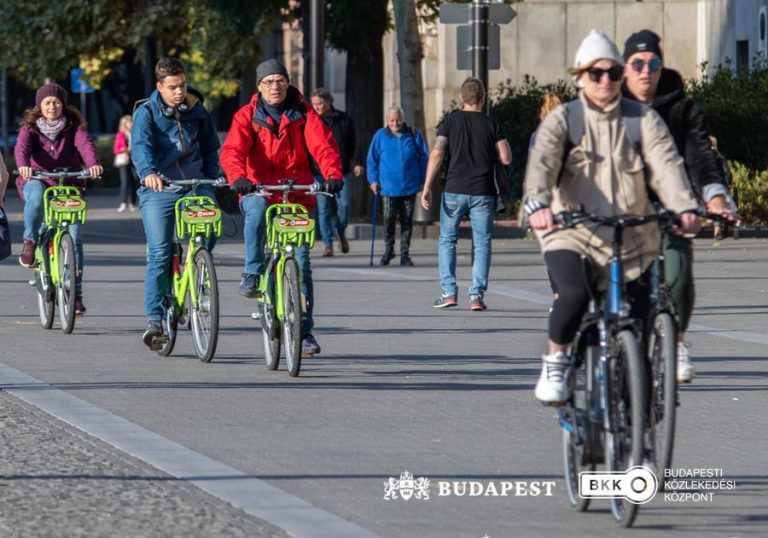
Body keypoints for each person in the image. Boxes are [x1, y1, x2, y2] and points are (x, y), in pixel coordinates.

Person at [523, 29, 701, 404]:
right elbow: (542, 164)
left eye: (612, 73)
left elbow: (666, 165)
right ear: (579, 77)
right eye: (595, 73)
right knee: (572, 293)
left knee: (641, 317)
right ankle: (556, 359)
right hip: (572, 232)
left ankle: (632, 415)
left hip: (631, 235)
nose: (605, 80)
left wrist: (684, 206)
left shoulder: (643, 119)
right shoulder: (564, 120)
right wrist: (537, 204)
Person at [622, 29, 737, 383]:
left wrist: (714, 196)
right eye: (637, 63)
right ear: (625, 68)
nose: (646, 71)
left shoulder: (682, 109)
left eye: (653, 63)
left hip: (670, 206)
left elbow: (700, 156)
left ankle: (678, 342)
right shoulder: (608, 107)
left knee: (678, 271)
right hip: (622, 208)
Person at [220, 59, 343, 356]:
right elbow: (233, 150)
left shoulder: (304, 112)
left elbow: (323, 145)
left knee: (302, 265)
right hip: (258, 187)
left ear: (288, 83)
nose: (275, 87)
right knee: (258, 210)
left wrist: (332, 175)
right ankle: (252, 272)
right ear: (259, 86)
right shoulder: (246, 115)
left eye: (280, 80)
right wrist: (238, 178)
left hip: (296, 192)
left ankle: (305, 333)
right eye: (268, 82)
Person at [131, 57, 221, 350]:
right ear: (160, 86)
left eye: (182, 85)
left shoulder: (198, 110)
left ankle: (196, 265)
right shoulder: (146, 113)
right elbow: (141, 148)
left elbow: (210, 147)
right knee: (158, 253)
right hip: (160, 189)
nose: (179, 92)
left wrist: (212, 177)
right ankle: (155, 321)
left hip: (195, 185)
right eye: (172, 87)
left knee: (211, 228)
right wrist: (148, 174)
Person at [421, 78, 512, 310]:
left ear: (462, 98)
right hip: (483, 192)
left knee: (448, 240)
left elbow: (437, 154)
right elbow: (506, 158)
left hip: (453, 190)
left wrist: (427, 187)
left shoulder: (449, 122)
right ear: (483, 99)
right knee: (482, 243)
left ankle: (449, 292)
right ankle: (476, 296)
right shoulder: (492, 124)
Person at [14, 83, 102, 314]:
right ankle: (30, 242)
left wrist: (93, 165)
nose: (52, 106)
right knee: (35, 197)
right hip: (37, 179)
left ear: (63, 104)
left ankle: (76, 295)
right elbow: (21, 149)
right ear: (39, 106)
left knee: (74, 237)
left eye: (56, 102)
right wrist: (23, 167)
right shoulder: (30, 128)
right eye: (47, 102)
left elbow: (86, 146)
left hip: (68, 183)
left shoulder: (74, 127)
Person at [367, 106, 428, 267]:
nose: (396, 123)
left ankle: (404, 254)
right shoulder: (380, 136)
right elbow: (372, 160)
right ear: (387, 120)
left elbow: (424, 158)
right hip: (387, 187)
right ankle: (389, 250)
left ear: (403, 119)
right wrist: (373, 180)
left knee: (407, 220)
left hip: (409, 185)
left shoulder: (413, 134)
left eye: (398, 119)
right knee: (388, 219)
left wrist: (423, 180)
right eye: (392, 120)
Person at [310, 87, 363, 257]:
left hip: (341, 170)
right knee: (323, 208)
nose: (316, 108)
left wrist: (357, 163)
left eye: (319, 104)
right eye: (314, 105)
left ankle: (340, 230)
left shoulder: (343, 120)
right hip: (318, 172)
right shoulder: (310, 121)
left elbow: (354, 142)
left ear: (328, 101)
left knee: (345, 205)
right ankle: (327, 244)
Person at [113, 115, 138, 212]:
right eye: (129, 122)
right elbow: (115, 149)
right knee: (125, 182)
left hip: (134, 160)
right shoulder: (121, 135)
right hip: (124, 160)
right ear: (124, 124)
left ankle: (133, 203)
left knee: (135, 181)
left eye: (131, 121)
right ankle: (123, 203)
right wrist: (124, 149)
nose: (131, 123)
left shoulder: (135, 133)